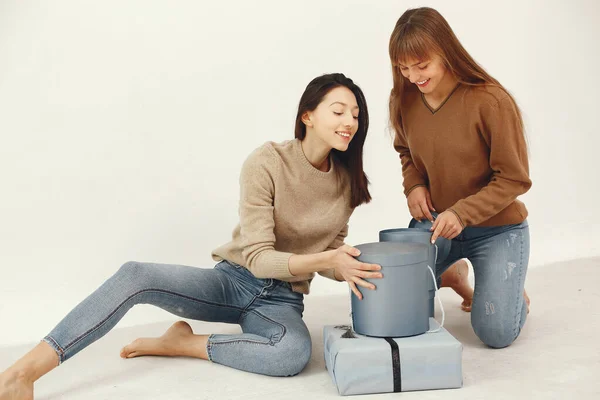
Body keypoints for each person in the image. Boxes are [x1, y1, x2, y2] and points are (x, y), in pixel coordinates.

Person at [0, 73, 382, 400]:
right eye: (339, 111)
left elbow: (330, 250)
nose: (350, 120)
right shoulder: (267, 162)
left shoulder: (347, 182)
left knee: (291, 354)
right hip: (234, 281)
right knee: (136, 275)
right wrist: (327, 260)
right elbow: (259, 257)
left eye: (356, 114)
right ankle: (22, 373)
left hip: (282, 301)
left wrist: (353, 266)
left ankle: (183, 344)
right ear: (308, 115)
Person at [388, 7, 532, 348]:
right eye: (404, 68)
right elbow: (405, 151)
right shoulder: (403, 100)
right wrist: (415, 185)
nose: (413, 76)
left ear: (446, 51)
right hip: (436, 224)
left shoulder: (491, 101)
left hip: (498, 230)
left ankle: (509, 291)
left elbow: (514, 178)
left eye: (421, 65)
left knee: (495, 334)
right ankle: (451, 272)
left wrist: (462, 213)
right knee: (401, 313)